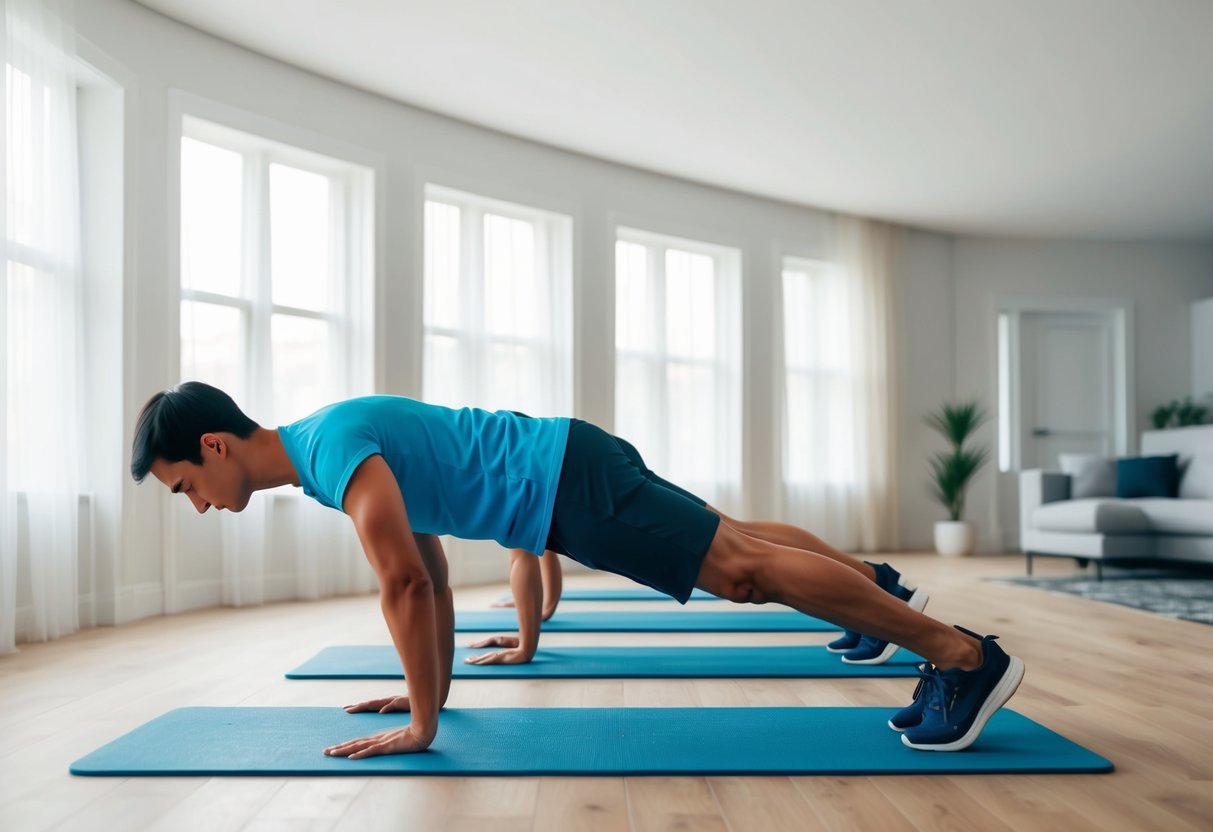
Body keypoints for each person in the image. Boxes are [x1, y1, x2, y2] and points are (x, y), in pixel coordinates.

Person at [131, 382, 1024, 758]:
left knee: (743, 569)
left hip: (564, 484)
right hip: (567, 470)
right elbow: (433, 575)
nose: (199, 504)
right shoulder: (329, 452)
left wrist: (425, 724)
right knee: (740, 550)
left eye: (186, 488)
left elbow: (403, 582)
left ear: (212, 445)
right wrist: (426, 686)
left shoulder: (329, 454)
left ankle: (959, 655)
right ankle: (904, 614)